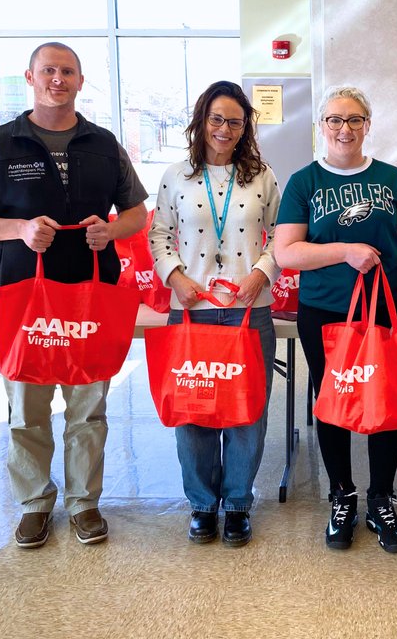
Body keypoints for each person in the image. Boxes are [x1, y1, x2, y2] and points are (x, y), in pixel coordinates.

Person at [0, 42, 148, 549]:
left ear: (81, 81)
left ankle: (84, 503)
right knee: (27, 410)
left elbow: (136, 213)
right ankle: (35, 503)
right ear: (30, 77)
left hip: (90, 297)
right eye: (48, 71)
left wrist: (112, 230)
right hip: (24, 301)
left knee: (87, 407)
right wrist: (16, 228)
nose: (58, 79)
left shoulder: (104, 145)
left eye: (68, 71)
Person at [273, 85, 397, 554]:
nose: (344, 128)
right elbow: (287, 252)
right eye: (335, 120)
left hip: (384, 309)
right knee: (334, 401)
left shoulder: (393, 178)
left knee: (384, 403)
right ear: (321, 126)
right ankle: (343, 495)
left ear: (368, 125)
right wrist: (346, 251)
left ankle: (381, 498)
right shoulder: (304, 182)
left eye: (354, 119)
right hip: (322, 312)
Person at [148, 81, 280, 547]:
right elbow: (158, 235)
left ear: (246, 128)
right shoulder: (176, 176)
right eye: (217, 119)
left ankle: (239, 503)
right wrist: (176, 277)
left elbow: (282, 237)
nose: (225, 129)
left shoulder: (262, 177)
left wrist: (261, 275)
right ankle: (203, 505)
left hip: (249, 311)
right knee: (194, 411)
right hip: (192, 312)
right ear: (202, 121)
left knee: (248, 412)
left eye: (236, 122)